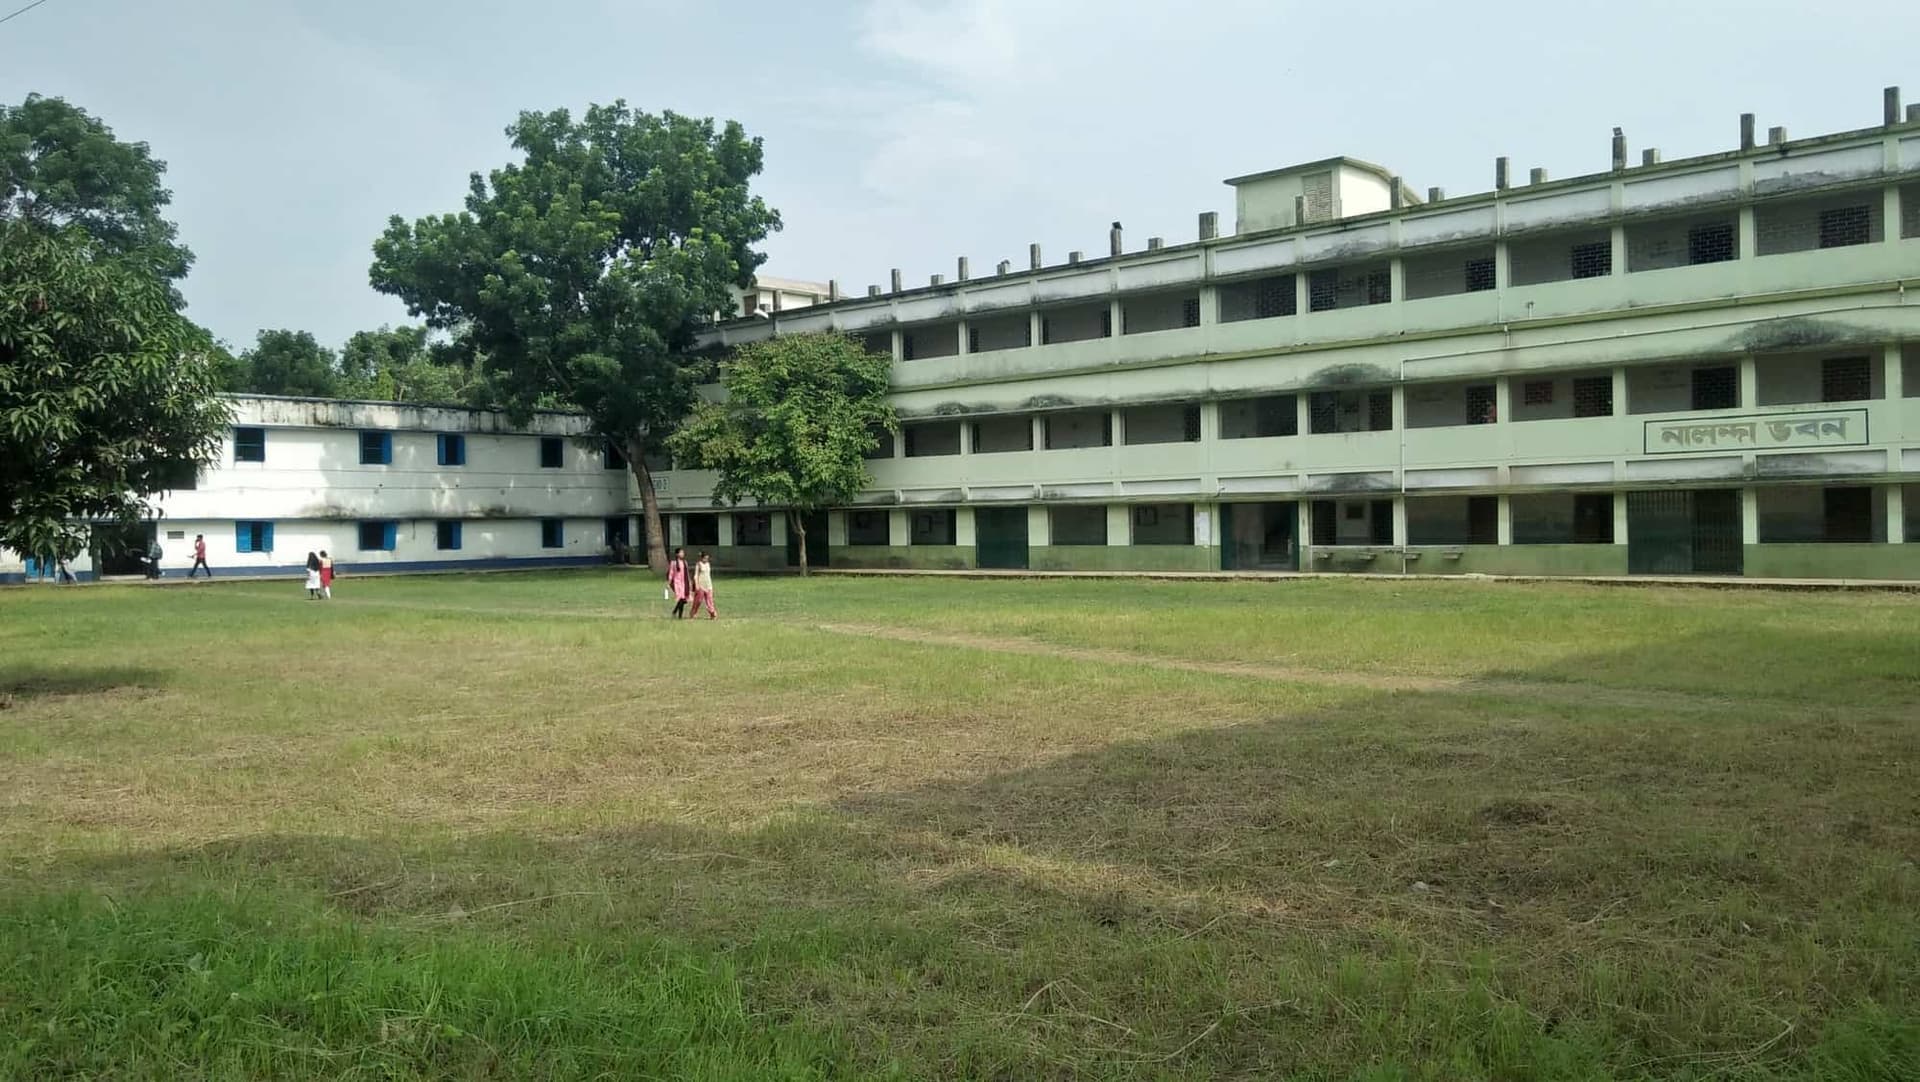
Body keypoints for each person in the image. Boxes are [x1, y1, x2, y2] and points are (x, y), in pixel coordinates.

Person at [666, 547, 692, 619]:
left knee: (684, 600)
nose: (683, 554)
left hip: (684, 583)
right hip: (677, 583)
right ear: (677, 554)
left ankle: (676, 613)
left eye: (683, 553)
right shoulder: (673, 563)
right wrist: (669, 583)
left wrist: (689, 582)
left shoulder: (685, 562)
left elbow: (687, 573)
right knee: (681, 598)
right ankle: (677, 614)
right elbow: (671, 573)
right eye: (681, 552)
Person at [691, 551, 717, 620]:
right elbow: (695, 575)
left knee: (710, 601)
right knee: (698, 601)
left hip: (708, 585)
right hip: (701, 585)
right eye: (705, 558)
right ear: (702, 558)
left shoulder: (708, 564)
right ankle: (693, 613)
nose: (706, 560)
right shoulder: (698, 564)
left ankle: (712, 613)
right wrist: (696, 585)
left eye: (707, 558)